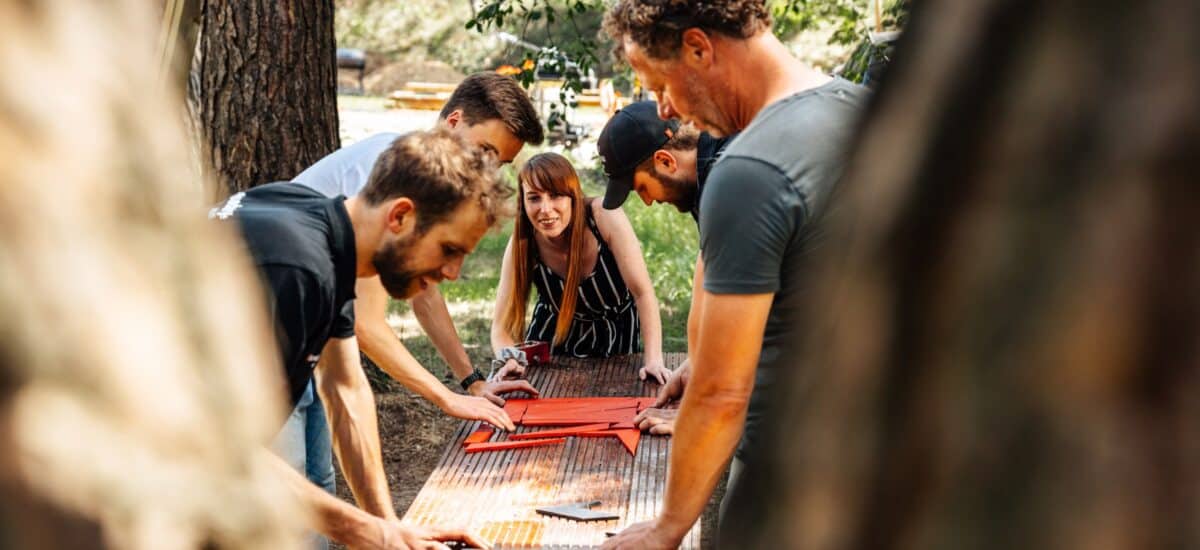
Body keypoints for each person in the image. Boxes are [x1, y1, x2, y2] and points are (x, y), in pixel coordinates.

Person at [600, 1, 870, 548]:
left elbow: (723, 393)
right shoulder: (866, 110)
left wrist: (666, 527)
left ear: (699, 48)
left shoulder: (749, 170)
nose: (666, 109)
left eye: (660, 84)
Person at [212, 129, 501, 549]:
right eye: (449, 249)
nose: (452, 273)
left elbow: (344, 386)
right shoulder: (295, 267)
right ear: (400, 216)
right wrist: (369, 533)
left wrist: (387, 525)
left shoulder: (324, 234)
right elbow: (223, 450)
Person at [287, 73, 543, 502]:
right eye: (485, 152)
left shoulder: (421, 174)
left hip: (311, 325)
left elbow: (422, 289)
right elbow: (368, 327)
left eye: (499, 163)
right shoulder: (397, 173)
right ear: (453, 121)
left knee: (318, 481)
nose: (488, 170)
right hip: (271, 322)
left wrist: (473, 382)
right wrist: (447, 398)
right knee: (291, 492)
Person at [595, 100, 734, 435]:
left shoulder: (729, 179)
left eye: (640, 187)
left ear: (666, 161)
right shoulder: (707, 173)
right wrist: (696, 364)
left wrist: (700, 406)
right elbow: (711, 273)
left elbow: (739, 305)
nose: (646, 200)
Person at [491, 152, 669, 383]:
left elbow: (642, 293)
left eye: (555, 196)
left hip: (615, 334)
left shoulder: (603, 215)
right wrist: (510, 358)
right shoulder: (523, 242)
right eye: (534, 198)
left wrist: (654, 359)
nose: (545, 209)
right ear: (523, 202)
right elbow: (500, 325)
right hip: (552, 336)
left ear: (573, 196)